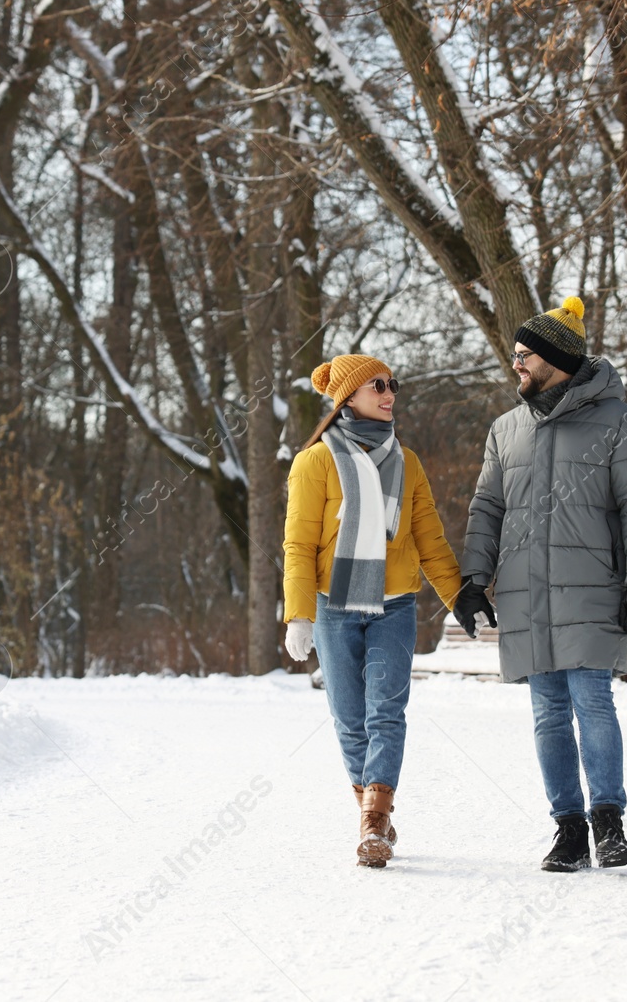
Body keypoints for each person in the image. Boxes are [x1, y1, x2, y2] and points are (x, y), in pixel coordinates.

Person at [453, 296, 627, 872]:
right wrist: (473, 579)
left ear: (556, 358)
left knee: (592, 700)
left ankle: (608, 823)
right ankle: (568, 829)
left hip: (594, 585)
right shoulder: (506, 429)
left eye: (525, 355)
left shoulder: (621, 423)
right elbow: (486, 508)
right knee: (547, 712)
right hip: (524, 592)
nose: (516, 365)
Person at [282, 354, 464, 868]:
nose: (389, 393)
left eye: (392, 384)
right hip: (333, 608)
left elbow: (431, 541)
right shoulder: (314, 462)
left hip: (395, 606)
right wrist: (299, 614)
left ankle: (374, 823)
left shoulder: (407, 462)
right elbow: (298, 544)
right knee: (348, 719)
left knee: (385, 711)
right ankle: (372, 808)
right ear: (348, 397)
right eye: (376, 385)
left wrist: (462, 601)